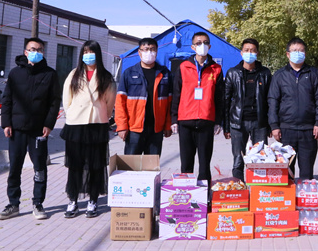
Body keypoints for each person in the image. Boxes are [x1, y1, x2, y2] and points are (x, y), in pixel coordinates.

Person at [0, 38, 61, 221]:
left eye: (39, 49)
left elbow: (54, 102)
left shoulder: (50, 74)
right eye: (33, 49)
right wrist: (6, 123)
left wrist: (49, 124)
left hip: (39, 130)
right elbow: (7, 99)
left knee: (39, 168)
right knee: (14, 167)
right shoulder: (15, 73)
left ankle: (38, 203)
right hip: (16, 129)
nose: (36, 52)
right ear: (26, 52)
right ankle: (13, 204)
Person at [61, 40, 116, 219]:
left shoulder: (106, 77)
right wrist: (72, 114)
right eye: (85, 52)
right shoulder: (74, 74)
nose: (88, 55)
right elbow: (67, 99)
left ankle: (93, 200)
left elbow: (110, 102)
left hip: (97, 125)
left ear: (98, 54)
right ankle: (73, 200)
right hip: (76, 125)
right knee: (75, 165)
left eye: (91, 52)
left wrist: (102, 116)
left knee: (95, 165)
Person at [267, 37, 318, 180]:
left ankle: (305, 194)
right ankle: (289, 195)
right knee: (286, 171)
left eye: (301, 50)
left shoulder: (313, 73)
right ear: (288, 54)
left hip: (309, 130)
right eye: (294, 51)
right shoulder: (279, 75)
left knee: (307, 170)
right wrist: (274, 126)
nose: (297, 53)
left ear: (305, 53)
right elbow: (273, 101)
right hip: (286, 130)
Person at [171, 31, 224, 182]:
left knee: (204, 164)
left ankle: (204, 193)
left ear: (210, 46)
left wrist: (218, 121)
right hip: (185, 120)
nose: (202, 45)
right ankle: (186, 192)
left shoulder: (216, 69)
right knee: (186, 163)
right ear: (193, 47)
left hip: (206, 121)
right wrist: (174, 119)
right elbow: (176, 94)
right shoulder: (184, 67)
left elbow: (220, 98)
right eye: (199, 43)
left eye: (205, 43)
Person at [224, 38, 272, 181]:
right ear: (241, 52)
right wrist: (226, 126)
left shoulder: (265, 73)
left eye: (252, 50)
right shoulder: (233, 73)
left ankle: (259, 189)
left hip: (259, 123)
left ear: (257, 53)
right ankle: (239, 188)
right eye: (246, 50)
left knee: (260, 158)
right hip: (238, 123)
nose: (249, 53)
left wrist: (271, 125)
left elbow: (270, 100)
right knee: (238, 159)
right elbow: (226, 101)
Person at [115, 37, 173, 155]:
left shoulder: (165, 73)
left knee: (152, 165)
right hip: (134, 129)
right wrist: (121, 126)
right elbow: (120, 102)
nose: (149, 52)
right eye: (146, 49)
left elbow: (170, 103)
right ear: (139, 52)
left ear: (157, 51)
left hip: (156, 129)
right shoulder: (129, 73)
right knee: (131, 164)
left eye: (152, 49)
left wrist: (168, 125)